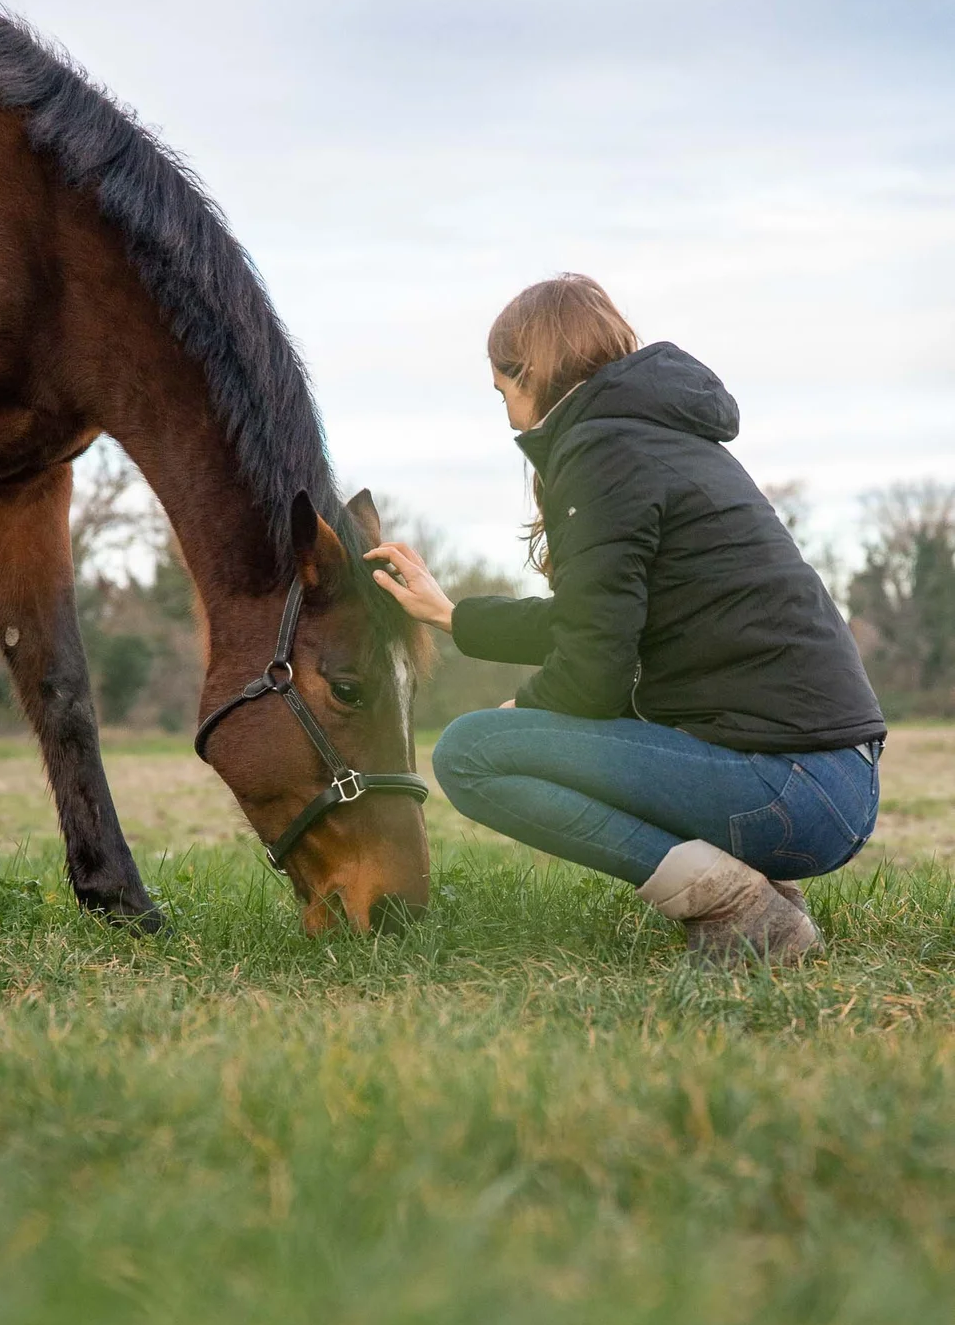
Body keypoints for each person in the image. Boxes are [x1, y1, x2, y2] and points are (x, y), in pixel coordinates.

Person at [366, 275, 884, 962]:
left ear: (532, 372)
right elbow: (600, 618)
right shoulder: (658, 437)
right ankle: (760, 898)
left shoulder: (603, 452)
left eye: (503, 392)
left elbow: (595, 670)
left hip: (792, 792)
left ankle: (738, 911)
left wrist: (532, 706)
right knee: (504, 736)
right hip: (829, 784)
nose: (511, 420)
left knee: (471, 753)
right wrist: (454, 616)